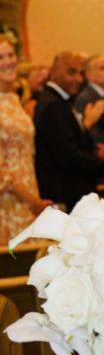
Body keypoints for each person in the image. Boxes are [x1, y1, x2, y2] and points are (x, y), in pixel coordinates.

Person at [34, 52, 104, 211]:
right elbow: (68, 156)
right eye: (71, 72)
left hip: (74, 189)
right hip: (66, 192)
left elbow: (69, 144)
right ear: (54, 71)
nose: (78, 79)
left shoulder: (60, 100)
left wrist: (97, 154)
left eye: (80, 73)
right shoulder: (52, 104)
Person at [0, 39, 52, 243]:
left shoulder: (13, 98)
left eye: (10, 55)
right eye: (0, 57)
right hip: (8, 198)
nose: (8, 62)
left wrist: (35, 198)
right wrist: (31, 201)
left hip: (29, 189)